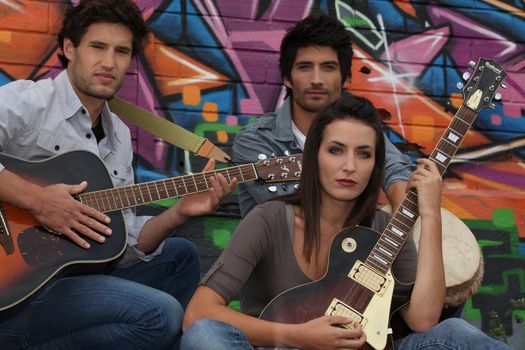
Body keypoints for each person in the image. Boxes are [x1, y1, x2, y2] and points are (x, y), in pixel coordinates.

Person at [181, 95, 512, 350]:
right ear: (314, 156)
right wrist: (298, 336)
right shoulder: (269, 219)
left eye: (364, 154)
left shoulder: (386, 230)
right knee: (205, 335)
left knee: (455, 332)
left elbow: (423, 320)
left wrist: (429, 214)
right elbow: (198, 314)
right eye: (336, 150)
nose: (350, 166)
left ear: (376, 166)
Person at [0, 0, 236, 349]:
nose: (109, 62)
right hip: (15, 293)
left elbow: (119, 246)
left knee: (182, 256)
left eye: (121, 52)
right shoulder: (28, 102)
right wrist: (37, 201)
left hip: (64, 277)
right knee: (160, 314)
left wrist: (178, 213)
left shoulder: (119, 136)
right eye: (97, 47)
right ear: (69, 48)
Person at [232, 13, 413, 218]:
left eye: (328, 68)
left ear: (345, 79)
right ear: (287, 78)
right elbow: (295, 215)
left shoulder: (359, 130)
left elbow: (396, 171)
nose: (316, 79)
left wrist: (400, 220)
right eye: (305, 67)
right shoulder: (256, 139)